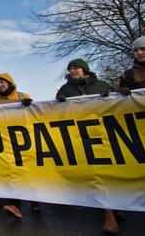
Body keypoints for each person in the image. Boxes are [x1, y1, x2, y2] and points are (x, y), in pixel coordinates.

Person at [56, 59, 117, 233]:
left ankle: (116, 207)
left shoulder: (102, 84)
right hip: (82, 136)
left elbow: (119, 105)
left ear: (85, 69)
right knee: (97, 172)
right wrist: (59, 101)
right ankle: (109, 214)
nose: (73, 71)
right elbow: (56, 112)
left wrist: (119, 94)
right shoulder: (65, 89)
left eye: (75, 68)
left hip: (106, 133)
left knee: (111, 171)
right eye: (70, 69)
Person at [0, 73, 39, 219]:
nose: (0, 85)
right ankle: (15, 205)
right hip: (5, 140)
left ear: (9, 83)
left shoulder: (22, 95)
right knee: (10, 173)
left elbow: (35, 112)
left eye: (2, 82)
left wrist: (29, 104)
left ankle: (35, 200)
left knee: (28, 171)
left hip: (23, 139)